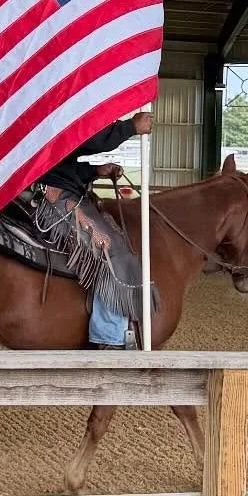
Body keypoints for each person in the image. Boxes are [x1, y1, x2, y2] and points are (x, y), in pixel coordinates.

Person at [36, 111, 153, 349]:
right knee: (108, 249)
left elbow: (59, 161)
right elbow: (83, 134)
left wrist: (94, 171)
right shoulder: (56, 105)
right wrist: (130, 127)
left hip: (57, 183)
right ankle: (109, 338)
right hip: (51, 192)